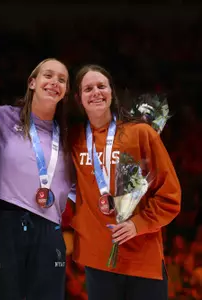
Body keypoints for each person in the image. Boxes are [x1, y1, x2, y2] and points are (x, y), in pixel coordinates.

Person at [68, 64, 181, 300]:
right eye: (88, 88)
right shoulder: (74, 139)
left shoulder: (140, 133)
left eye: (101, 86)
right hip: (98, 260)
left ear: (112, 92)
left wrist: (137, 225)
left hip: (142, 258)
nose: (96, 92)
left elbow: (170, 196)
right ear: (79, 99)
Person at [0, 58, 74, 300]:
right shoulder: (0, 117)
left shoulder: (69, 137)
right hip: (6, 224)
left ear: (65, 92)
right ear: (32, 82)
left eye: (62, 79)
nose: (54, 82)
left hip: (50, 230)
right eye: (48, 75)